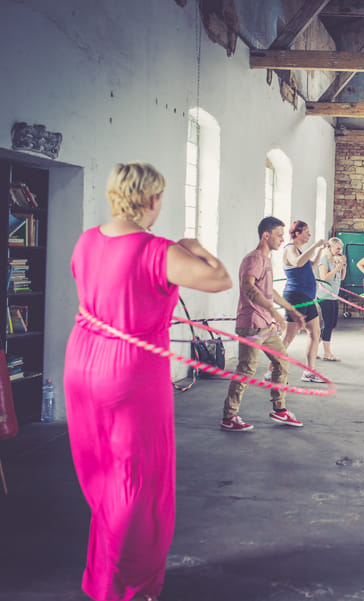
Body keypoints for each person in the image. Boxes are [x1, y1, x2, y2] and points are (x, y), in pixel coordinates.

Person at [65, 162, 232, 601]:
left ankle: (104, 578)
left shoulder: (86, 241)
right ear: (153, 199)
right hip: (131, 369)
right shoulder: (158, 250)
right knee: (137, 479)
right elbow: (221, 279)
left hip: (82, 361)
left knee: (101, 472)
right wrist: (197, 248)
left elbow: (93, 288)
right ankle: (134, 583)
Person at [221, 217, 307, 432]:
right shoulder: (254, 259)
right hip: (252, 324)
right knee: (246, 369)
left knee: (282, 362)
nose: (282, 239)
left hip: (266, 324)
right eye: (279, 235)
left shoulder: (266, 260)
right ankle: (229, 417)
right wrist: (273, 310)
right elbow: (248, 287)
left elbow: (269, 291)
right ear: (266, 235)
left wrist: (291, 310)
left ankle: (279, 410)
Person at [273, 220, 328, 383]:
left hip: (308, 298)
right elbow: (297, 262)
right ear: (297, 233)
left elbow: (311, 265)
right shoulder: (290, 249)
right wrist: (315, 245)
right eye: (306, 232)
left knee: (315, 333)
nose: (309, 235)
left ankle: (309, 372)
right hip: (296, 297)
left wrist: (319, 250)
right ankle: (271, 372)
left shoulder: (299, 250)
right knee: (287, 338)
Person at [317, 237, 347, 361]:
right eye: (338, 248)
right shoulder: (324, 260)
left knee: (332, 324)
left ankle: (313, 346)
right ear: (330, 247)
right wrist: (336, 268)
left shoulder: (337, 260)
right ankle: (327, 353)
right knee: (328, 324)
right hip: (325, 296)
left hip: (334, 296)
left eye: (341, 249)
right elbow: (324, 278)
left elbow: (342, 278)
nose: (340, 251)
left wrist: (343, 265)